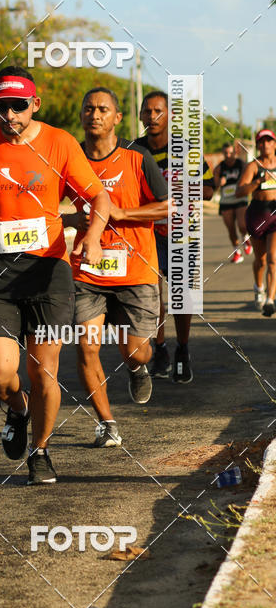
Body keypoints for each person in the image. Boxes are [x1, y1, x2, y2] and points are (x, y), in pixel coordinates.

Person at [0, 66, 109, 484]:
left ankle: (40, 451)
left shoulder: (59, 143)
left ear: (35, 104)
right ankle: (17, 408)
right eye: (1, 107)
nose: (10, 115)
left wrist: (93, 236)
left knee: (44, 371)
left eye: (18, 106)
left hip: (48, 270)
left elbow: (98, 195)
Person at [62, 88, 168, 447]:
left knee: (137, 350)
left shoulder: (137, 157)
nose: (95, 114)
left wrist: (122, 214)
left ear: (117, 118)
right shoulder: (69, 157)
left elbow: (169, 206)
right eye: (88, 108)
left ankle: (137, 368)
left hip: (135, 270)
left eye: (103, 109)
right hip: (88, 270)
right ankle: (107, 423)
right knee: (86, 347)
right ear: (81, 115)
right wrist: (73, 218)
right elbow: (47, 203)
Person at [136, 91, 215, 384]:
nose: (152, 116)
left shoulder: (186, 150)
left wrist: (185, 186)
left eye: (158, 111)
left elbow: (210, 190)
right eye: (147, 111)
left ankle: (182, 347)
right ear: (141, 116)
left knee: (181, 297)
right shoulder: (134, 150)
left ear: (169, 115)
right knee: (152, 294)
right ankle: (160, 349)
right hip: (146, 231)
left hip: (182, 231)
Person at [236, 129, 276, 315]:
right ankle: (258, 288)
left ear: (274, 144)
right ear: (258, 145)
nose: (266, 144)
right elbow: (240, 191)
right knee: (260, 260)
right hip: (257, 215)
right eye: (262, 141)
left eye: (269, 141)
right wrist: (258, 182)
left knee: (273, 259)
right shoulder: (253, 166)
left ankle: (270, 299)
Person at [213, 142, 250, 263]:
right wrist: (220, 183)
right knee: (231, 229)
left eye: (230, 153)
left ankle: (245, 238)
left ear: (235, 153)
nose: (228, 155)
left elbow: (249, 178)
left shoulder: (242, 164)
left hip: (240, 198)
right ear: (223, 154)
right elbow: (214, 187)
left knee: (242, 225)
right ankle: (237, 252)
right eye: (226, 153)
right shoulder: (219, 168)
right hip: (226, 200)